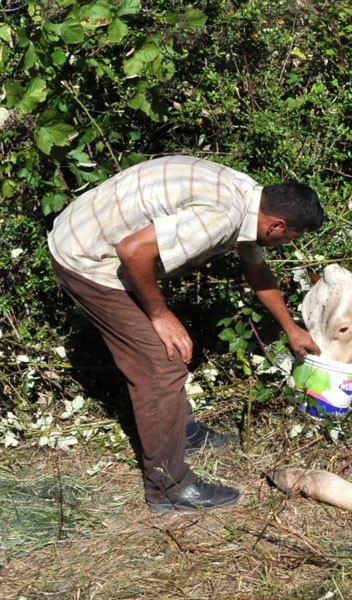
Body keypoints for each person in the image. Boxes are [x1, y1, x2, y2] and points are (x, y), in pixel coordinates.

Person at [47, 155, 324, 513]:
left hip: (90, 232)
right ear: (277, 226)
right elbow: (132, 252)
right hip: (86, 258)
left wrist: (290, 328)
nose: (289, 243)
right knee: (161, 365)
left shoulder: (250, 198)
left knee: (168, 353)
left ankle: (179, 434)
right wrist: (159, 315)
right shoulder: (222, 218)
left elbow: (256, 270)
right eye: (292, 237)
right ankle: (168, 487)